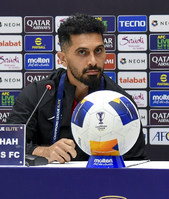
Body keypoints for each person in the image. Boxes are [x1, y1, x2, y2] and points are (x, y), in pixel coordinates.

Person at [7, 13, 146, 163]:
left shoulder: (122, 102)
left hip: (101, 183)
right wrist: (44, 152)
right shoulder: (37, 94)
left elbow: (135, 162)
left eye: (98, 51)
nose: (93, 61)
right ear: (63, 58)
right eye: (82, 52)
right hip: (48, 184)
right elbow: (8, 145)